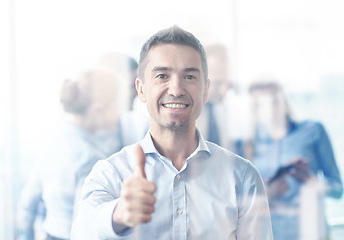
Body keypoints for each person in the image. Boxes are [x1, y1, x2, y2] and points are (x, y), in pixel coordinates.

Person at [71, 26, 273, 240]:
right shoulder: (111, 173)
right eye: (162, 75)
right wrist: (119, 214)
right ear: (141, 89)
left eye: (189, 77)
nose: (176, 89)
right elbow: (82, 230)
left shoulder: (242, 177)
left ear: (205, 90)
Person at [17, 66, 123, 240]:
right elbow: (84, 227)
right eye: (116, 107)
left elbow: (29, 199)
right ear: (98, 110)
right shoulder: (89, 157)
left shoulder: (52, 138)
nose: (120, 114)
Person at [248, 81, 343, 240]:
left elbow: (338, 189)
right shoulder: (249, 144)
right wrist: (269, 192)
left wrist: (312, 182)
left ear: (283, 100)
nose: (270, 109)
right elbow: (241, 205)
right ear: (254, 109)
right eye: (261, 104)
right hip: (271, 234)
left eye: (274, 101)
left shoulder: (313, 130)